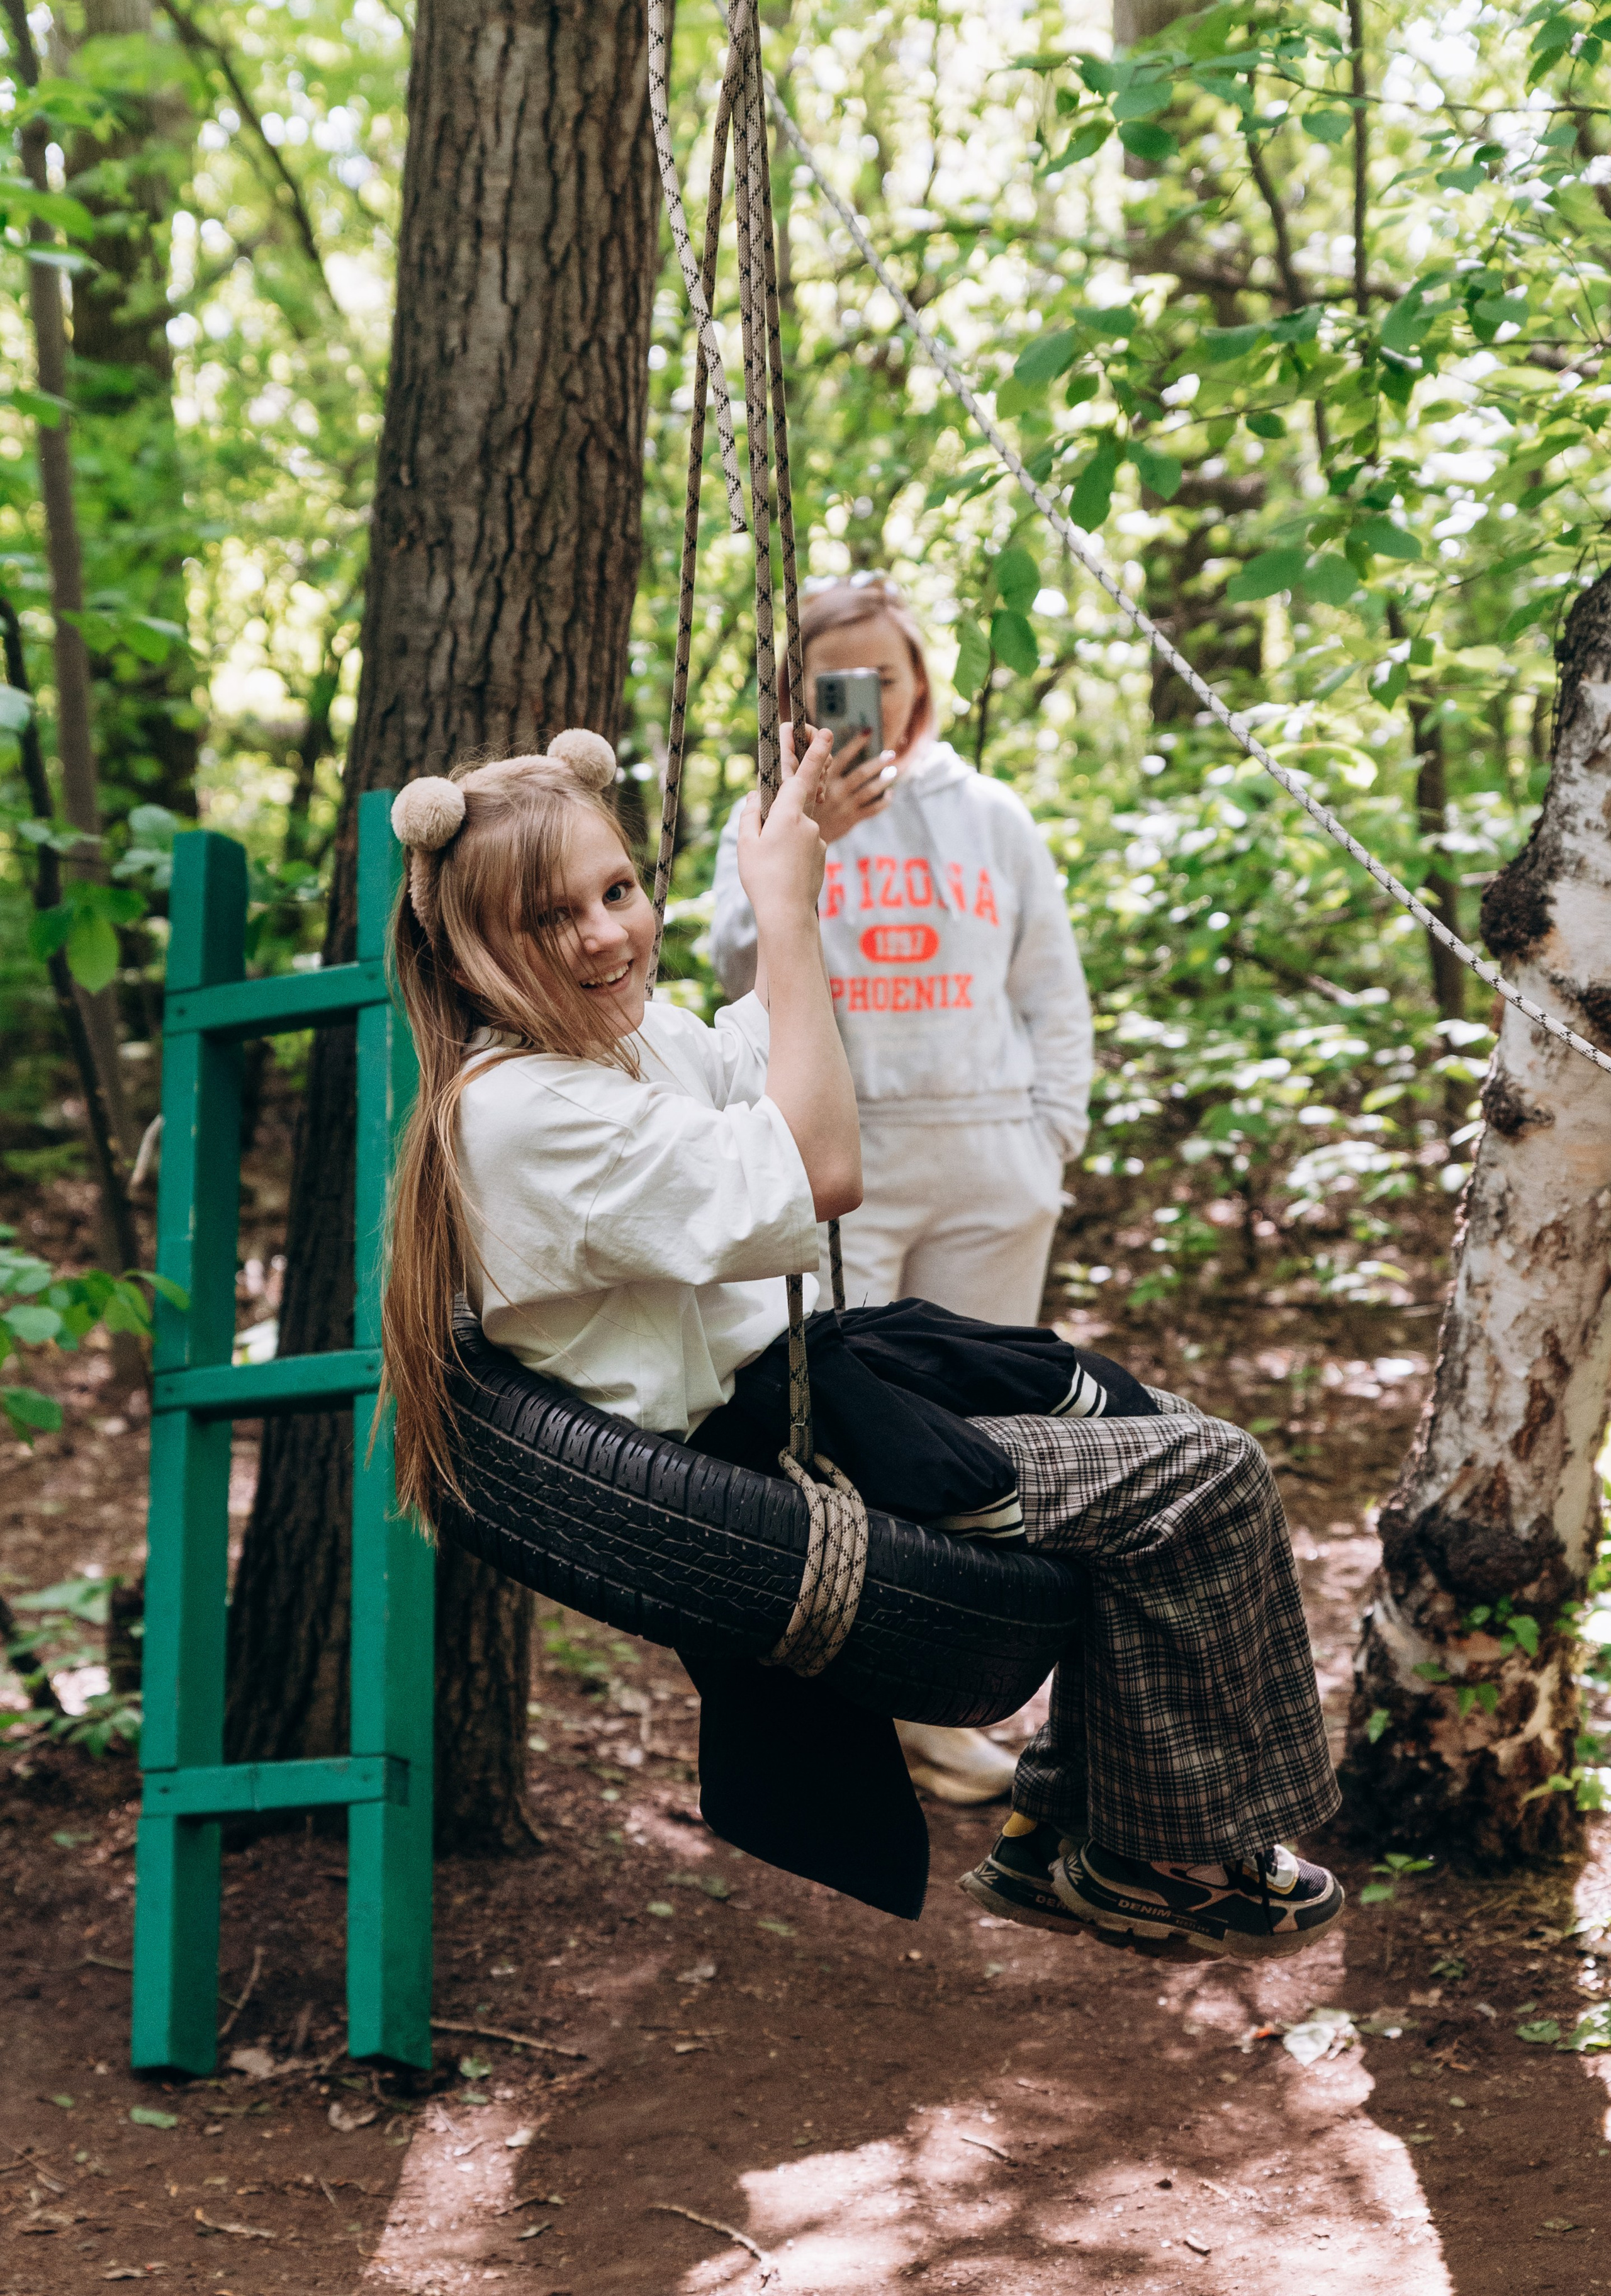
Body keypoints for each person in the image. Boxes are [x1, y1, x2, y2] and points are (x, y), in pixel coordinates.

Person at [379, 726, 1345, 1964]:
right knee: (1206, 1476)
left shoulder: (605, 1052)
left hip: (799, 1407)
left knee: (1151, 1429)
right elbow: (817, 1163)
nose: (606, 934)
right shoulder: (521, 1114)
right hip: (757, 1473)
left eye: (615, 890)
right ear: (464, 953)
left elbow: (754, 1057)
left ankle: (1074, 1832)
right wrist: (779, 916)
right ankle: (1150, 1860)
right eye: (546, 920)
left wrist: (809, 877)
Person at [710, 577, 1091, 1808]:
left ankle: (953, 1702)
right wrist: (805, 841)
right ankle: (853, 1708)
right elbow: (728, 967)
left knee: (982, 1443)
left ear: (920, 681)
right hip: (842, 1171)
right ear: (800, 695)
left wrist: (1050, 1141)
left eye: (887, 673)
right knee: (852, 1439)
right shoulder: (769, 816)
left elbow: (1051, 992)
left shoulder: (993, 814)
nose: (870, 702)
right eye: (840, 682)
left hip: (988, 1161)